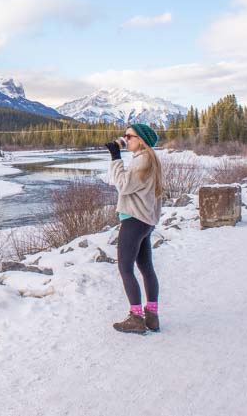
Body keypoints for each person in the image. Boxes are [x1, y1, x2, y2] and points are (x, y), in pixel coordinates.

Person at [104, 123, 163, 334]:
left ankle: (136, 317)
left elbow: (122, 185)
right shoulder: (148, 159)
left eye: (130, 136)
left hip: (134, 220)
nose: (126, 139)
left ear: (141, 140)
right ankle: (152, 315)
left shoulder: (143, 161)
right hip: (145, 220)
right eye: (125, 136)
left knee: (125, 268)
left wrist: (115, 157)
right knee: (146, 268)